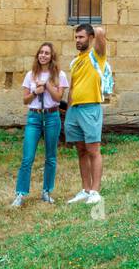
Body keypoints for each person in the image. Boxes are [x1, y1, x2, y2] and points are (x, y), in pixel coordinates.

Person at [12, 43, 67, 208]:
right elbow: (25, 100)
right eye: (41, 53)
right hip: (34, 118)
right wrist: (35, 92)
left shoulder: (59, 75)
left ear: (52, 57)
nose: (43, 55)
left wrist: (48, 85)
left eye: (47, 53)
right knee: (27, 157)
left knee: (50, 157)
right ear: (38, 56)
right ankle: (20, 193)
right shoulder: (30, 75)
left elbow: (58, 98)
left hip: (52, 116)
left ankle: (47, 192)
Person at [65, 23, 108, 206]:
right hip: (74, 110)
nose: (78, 40)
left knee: (93, 150)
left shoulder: (96, 56)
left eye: (81, 37)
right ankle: (86, 189)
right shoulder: (75, 61)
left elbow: (101, 36)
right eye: (76, 37)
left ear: (89, 38)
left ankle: (96, 192)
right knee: (81, 150)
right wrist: (68, 111)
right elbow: (73, 87)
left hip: (90, 108)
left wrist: (95, 31)